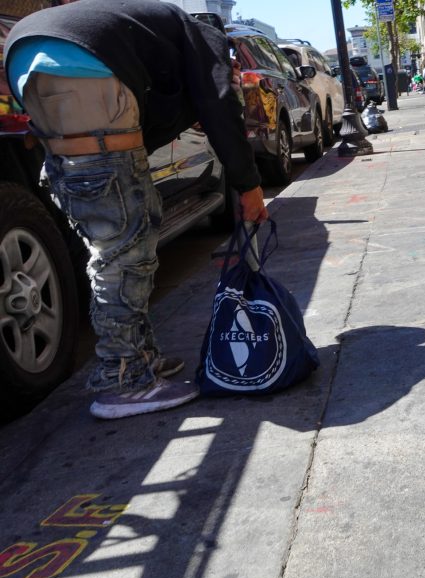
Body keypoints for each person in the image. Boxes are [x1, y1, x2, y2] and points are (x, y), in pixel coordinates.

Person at [3, 0, 268, 418]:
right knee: (125, 247)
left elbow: (149, 130)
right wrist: (249, 187)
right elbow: (220, 105)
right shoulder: (204, 38)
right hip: (87, 65)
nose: (235, 74)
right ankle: (122, 379)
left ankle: (136, 358)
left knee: (112, 235)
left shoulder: (151, 33)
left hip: (23, 55)